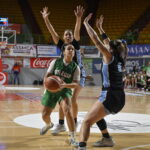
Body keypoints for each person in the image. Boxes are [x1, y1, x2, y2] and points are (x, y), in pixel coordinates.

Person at [77, 14, 128, 150]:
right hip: (120, 97)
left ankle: (81, 146)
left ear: (111, 49)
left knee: (86, 121)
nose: (107, 44)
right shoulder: (119, 58)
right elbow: (107, 42)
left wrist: (86, 24)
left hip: (109, 95)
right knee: (96, 115)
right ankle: (107, 139)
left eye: (109, 45)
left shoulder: (109, 56)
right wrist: (100, 28)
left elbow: (97, 41)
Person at [41, 5, 86, 135]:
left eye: (69, 35)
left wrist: (78, 18)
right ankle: (61, 124)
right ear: (63, 36)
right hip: (64, 75)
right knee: (62, 98)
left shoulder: (75, 44)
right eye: (66, 34)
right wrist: (46, 19)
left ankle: (74, 121)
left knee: (72, 100)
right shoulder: (61, 45)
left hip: (77, 73)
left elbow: (77, 31)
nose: (68, 36)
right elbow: (52, 31)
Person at [40, 44, 80, 146]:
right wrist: (47, 87)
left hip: (64, 90)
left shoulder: (75, 67)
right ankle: (49, 124)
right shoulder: (55, 62)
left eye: (73, 49)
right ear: (64, 52)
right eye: (69, 49)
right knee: (44, 115)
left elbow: (76, 84)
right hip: (51, 90)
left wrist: (65, 85)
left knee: (67, 110)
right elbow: (47, 76)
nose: (71, 50)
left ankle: (72, 137)